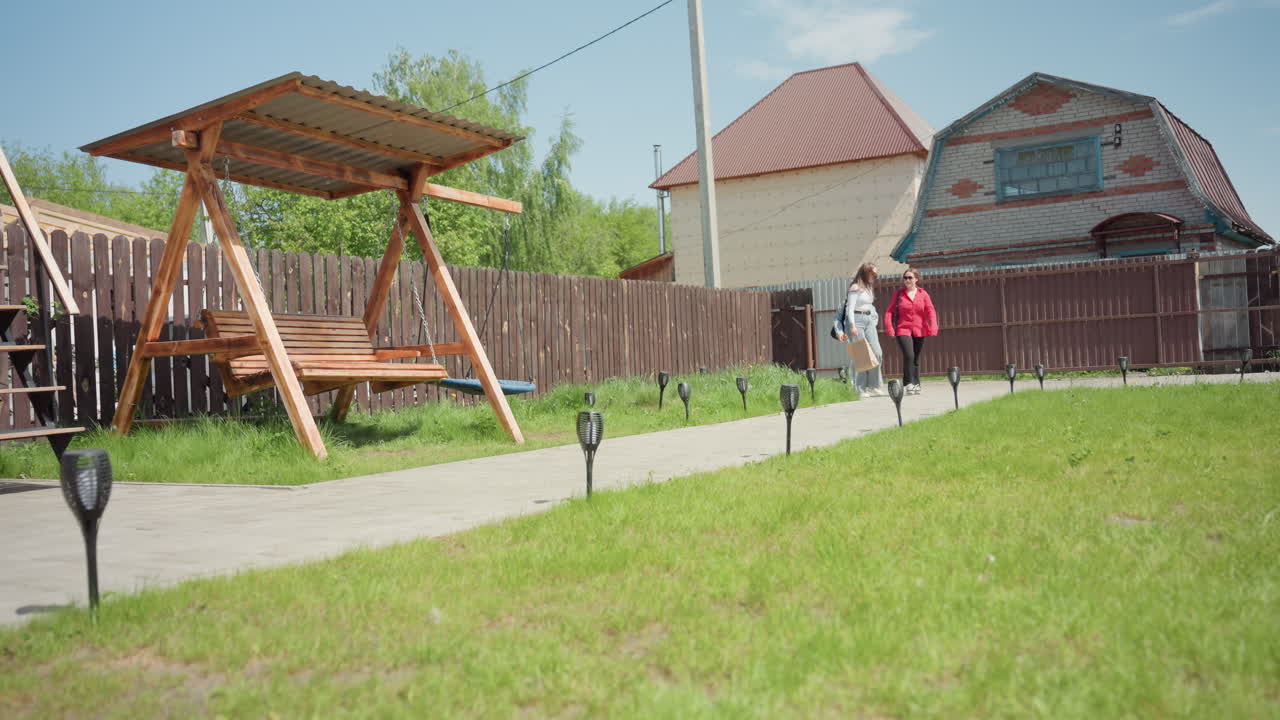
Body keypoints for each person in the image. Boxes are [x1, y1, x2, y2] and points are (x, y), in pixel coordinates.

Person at [883, 267, 939, 395]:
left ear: (916, 279)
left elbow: (931, 310)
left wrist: (933, 326)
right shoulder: (898, 294)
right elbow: (889, 312)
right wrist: (889, 328)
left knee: (916, 358)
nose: (907, 280)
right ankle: (908, 383)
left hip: (920, 329)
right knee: (909, 355)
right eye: (905, 278)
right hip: (903, 329)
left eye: (910, 278)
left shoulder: (923, 294)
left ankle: (916, 383)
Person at [833, 263, 885, 397]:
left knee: (877, 352)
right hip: (857, 320)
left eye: (876, 275)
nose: (875, 277)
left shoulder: (868, 288)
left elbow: (869, 306)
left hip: (868, 321)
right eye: (873, 274)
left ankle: (874, 385)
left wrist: (873, 321)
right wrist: (852, 326)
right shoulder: (855, 287)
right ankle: (860, 389)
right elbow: (850, 308)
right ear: (865, 273)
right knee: (861, 355)